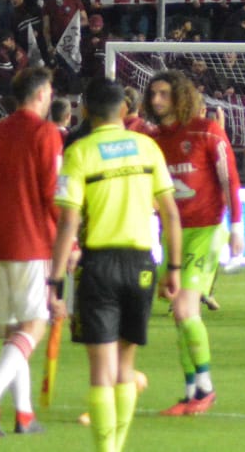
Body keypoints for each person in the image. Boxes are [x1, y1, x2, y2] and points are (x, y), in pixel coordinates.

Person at [47, 79, 181, 452]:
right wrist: (173, 267)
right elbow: (170, 212)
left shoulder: (79, 152)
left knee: (100, 370)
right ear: (125, 109)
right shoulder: (148, 147)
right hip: (141, 262)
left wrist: (54, 281)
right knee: (125, 364)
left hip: (99, 265)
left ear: (86, 111)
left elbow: (69, 222)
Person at [0, 67, 64, 438]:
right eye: (49, 91)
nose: (51, 97)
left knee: (15, 333)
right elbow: (53, 194)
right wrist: (71, 241)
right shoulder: (46, 134)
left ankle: (23, 415)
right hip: (33, 244)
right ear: (40, 94)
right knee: (34, 326)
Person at [151, 70, 243, 415]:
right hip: (172, 233)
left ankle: (205, 386)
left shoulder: (208, 131)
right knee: (178, 313)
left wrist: (236, 226)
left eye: (164, 93)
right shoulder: (156, 139)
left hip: (205, 230)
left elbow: (229, 180)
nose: (156, 100)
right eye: (153, 94)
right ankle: (190, 391)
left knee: (185, 309)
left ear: (180, 96)